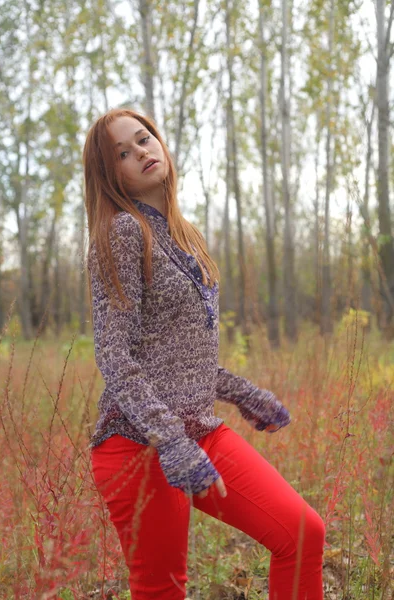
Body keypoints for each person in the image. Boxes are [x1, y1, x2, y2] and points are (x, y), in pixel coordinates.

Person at [82, 107, 325, 600]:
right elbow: (115, 356)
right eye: (122, 154)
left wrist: (244, 393)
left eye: (144, 139)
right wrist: (170, 441)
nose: (141, 153)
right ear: (111, 177)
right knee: (162, 588)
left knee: (301, 533)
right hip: (137, 445)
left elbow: (179, 359)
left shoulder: (183, 235)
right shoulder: (123, 234)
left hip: (199, 431)